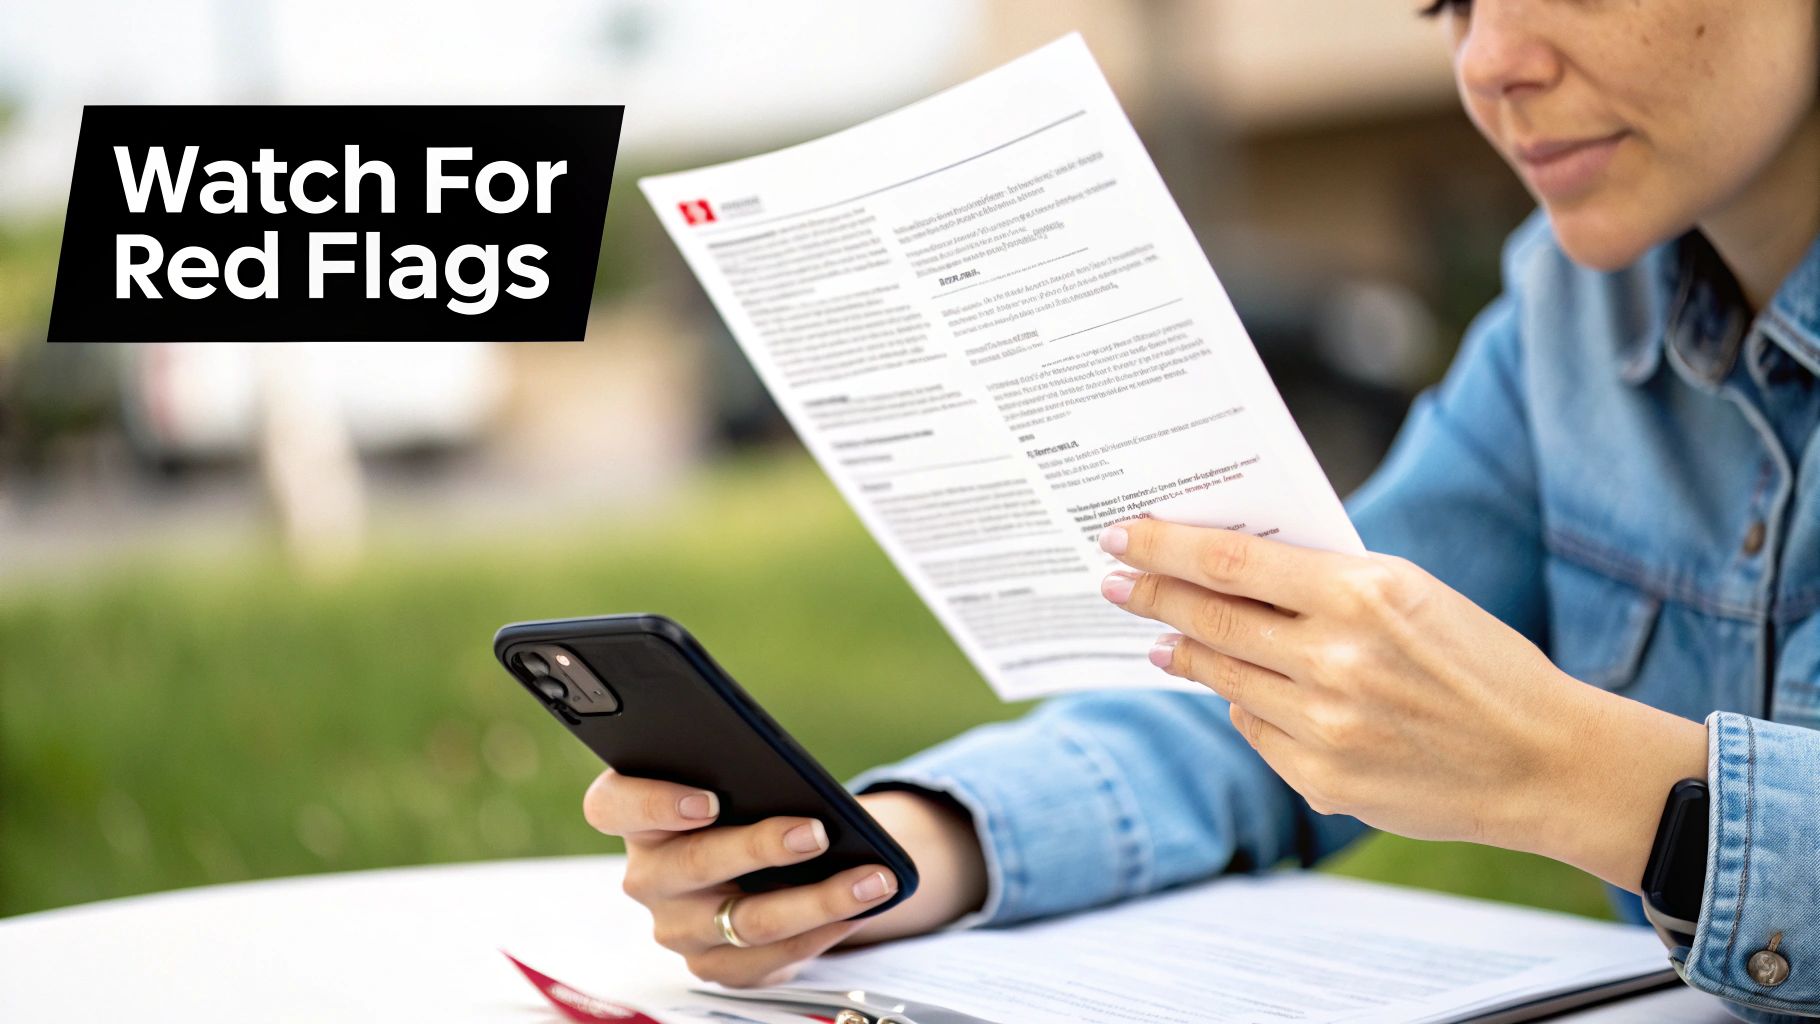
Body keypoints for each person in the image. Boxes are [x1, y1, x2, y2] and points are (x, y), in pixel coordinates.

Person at [582, 2, 1820, 1019]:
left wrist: (1571, 770)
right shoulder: (1566, 319)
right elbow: (1270, 691)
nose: (1490, 61)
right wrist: (893, 854)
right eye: (1448, 2)